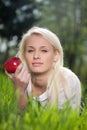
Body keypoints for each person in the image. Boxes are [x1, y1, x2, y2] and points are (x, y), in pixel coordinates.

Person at [5, 26, 81, 110]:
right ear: (23, 56)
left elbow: (57, 122)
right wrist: (20, 91)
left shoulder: (67, 80)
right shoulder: (22, 80)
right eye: (30, 51)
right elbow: (19, 119)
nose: (36, 56)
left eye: (44, 51)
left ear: (56, 55)